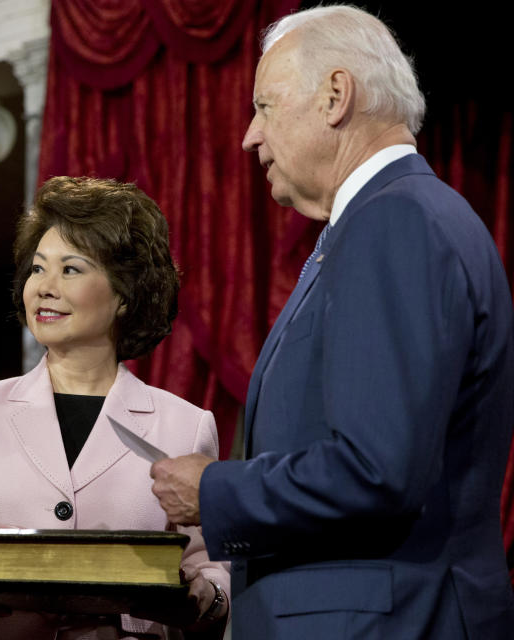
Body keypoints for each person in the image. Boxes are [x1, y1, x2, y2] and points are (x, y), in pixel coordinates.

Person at [149, 5, 514, 639]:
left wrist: (215, 493)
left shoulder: (393, 221)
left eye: (265, 107)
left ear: (335, 96)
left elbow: (376, 470)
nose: (249, 137)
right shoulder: (405, 217)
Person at [0, 176, 230, 640]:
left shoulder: (185, 425)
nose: (44, 287)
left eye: (71, 270)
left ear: (124, 294)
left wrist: (204, 596)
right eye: (38, 269)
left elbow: (209, 569)